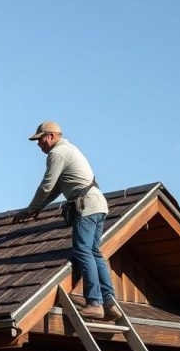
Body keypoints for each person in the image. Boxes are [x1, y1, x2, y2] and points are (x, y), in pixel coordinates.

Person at [12, 121, 121, 320]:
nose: (38, 145)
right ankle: (109, 302)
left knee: (83, 250)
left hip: (86, 205)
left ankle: (94, 303)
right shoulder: (69, 149)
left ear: (52, 136)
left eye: (40, 139)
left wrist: (29, 210)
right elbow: (55, 190)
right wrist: (37, 208)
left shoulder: (57, 153)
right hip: (98, 204)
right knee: (95, 252)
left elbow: (46, 186)